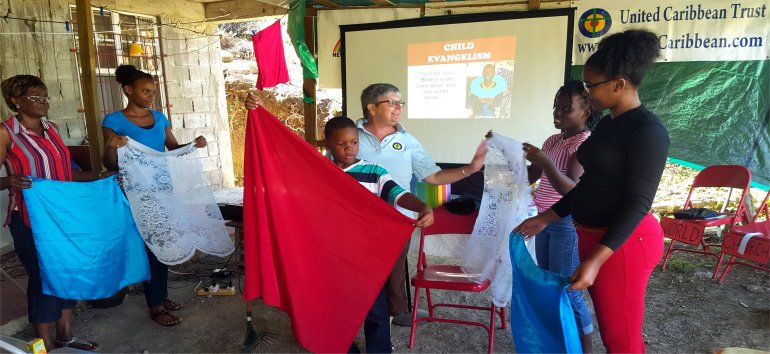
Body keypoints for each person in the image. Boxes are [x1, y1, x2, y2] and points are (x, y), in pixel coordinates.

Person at [246, 83, 487, 326]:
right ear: (372, 107)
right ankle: (348, 320)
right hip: (350, 226)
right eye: (392, 102)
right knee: (352, 278)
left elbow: (433, 177)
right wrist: (263, 115)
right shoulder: (349, 134)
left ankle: (388, 325)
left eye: (400, 102)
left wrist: (470, 169)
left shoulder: (408, 140)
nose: (398, 107)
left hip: (396, 220)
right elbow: (313, 164)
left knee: (391, 277)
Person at [514, 29, 669, 353]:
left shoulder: (648, 131)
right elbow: (590, 186)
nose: (587, 92)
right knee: (610, 329)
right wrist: (546, 217)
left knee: (620, 338)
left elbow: (638, 202)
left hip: (624, 243)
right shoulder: (609, 124)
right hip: (594, 237)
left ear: (619, 83)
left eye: (591, 85)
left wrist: (598, 258)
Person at [1, 74, 116, 351]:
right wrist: (9, 181)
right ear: (15, 101)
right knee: (43, 277)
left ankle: (67, 336)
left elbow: (64, 174)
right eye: (35, 97)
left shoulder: (51, 128)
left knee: (67, 272)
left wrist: (101, 176)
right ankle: (47, 344)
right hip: (30, 217)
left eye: (45, 96)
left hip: (64, 215)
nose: (43, 102)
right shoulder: (6, 133)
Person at [101, 64, 207, 326]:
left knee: (164, 244)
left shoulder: (159, 118)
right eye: (145, 91)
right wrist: (110, 145)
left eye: (153, 92)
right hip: (135, 194)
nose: (151, 96)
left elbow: (172, 148)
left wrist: (193, 144)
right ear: (128, 90)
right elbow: (110, 163)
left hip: (163, 189)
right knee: (150, 247)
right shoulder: (114, 121)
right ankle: (156, 304)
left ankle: (161, 295)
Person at [324, 116, 433, 353]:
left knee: (375, 307)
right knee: (338, 307)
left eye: (353, 142)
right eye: (341, 144)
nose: (349, 148)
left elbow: (397, 193)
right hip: (333, 254)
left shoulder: (373, 171)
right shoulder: (321, 172)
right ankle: (343, 346)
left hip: (366, 254)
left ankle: (380, 349)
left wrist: (422, 206)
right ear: (328, 144)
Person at [523, 80, 601, 353]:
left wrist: (544, 161)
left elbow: (572, 190)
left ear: (585, 112)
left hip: (564, 225)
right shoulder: (553, 140)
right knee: (549, 282)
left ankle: (585, 347)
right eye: (557, 107)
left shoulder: (584, 143)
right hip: (543, 221)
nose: (558, 113)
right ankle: (560, 339)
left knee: (568, 287)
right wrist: (518, 163)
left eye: (567, 108)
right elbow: (536, 177)